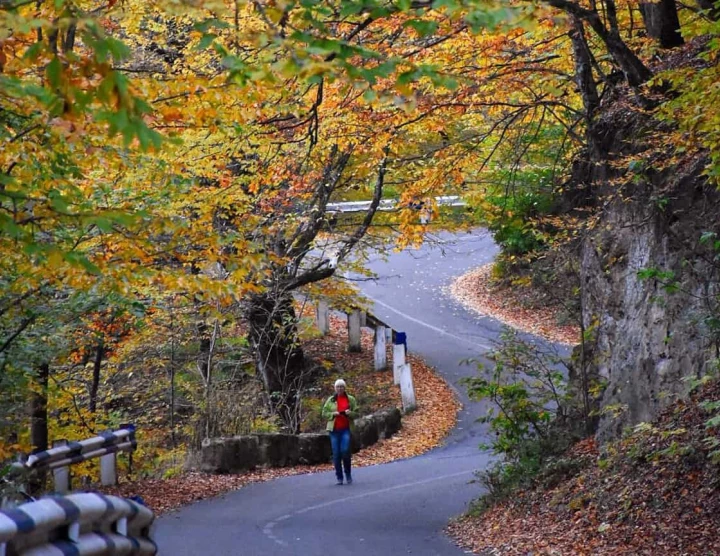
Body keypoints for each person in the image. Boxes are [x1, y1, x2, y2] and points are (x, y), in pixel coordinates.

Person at [321, 379, 358, 485]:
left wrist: (349, 413)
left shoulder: (350, 399)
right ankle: (339, 477)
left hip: (345, 429)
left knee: (345, 451)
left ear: (344, 388)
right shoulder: (331, 400)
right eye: (338, 387)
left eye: (341, 386)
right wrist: (333, 414)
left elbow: (356, 413)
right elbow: (324, 413)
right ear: (335, 388)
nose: (340, 389)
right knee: (336, 454)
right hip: (334, 430)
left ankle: (348, 474)